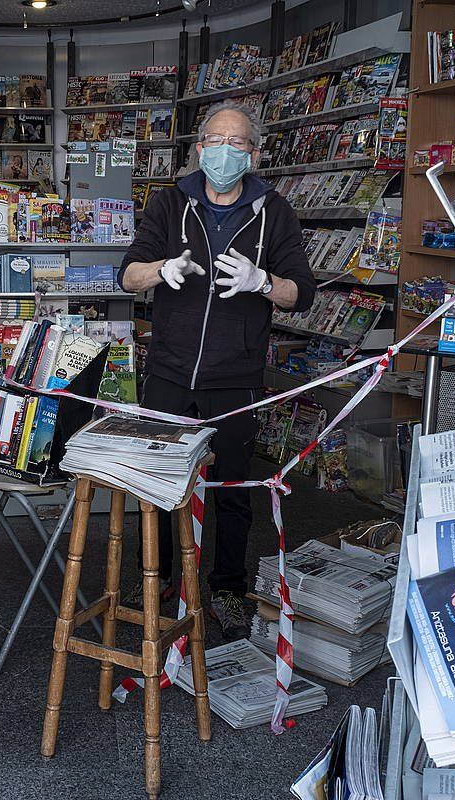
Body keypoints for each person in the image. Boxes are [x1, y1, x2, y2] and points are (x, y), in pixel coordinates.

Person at [118, 100, 316, 640]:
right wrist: (161, 269)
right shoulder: (168, 203)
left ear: (254, 153)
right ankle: (152, 578)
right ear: (198, 147)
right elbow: (126, 275)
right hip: (169, 371)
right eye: (215, 140)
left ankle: (227, 585)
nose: (224, 152)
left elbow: (302, 294)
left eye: (238, 143)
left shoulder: (274, 212)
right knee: (158, 482)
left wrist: (262, 283)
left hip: (236, 377)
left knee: (231, 488)